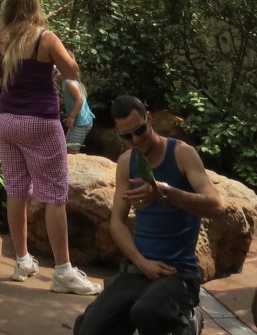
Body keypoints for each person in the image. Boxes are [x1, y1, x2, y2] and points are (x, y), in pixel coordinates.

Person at [73, 96, 222, 335]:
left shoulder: (181, 153)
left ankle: (188, 320)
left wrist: (167, 193)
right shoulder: (126, 162)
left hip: (178, 274)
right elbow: (117, 223)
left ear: (149, 118)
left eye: (139, 131)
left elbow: (217, 206)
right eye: (126, 136)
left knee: (148, 312)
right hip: (140, 270)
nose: (135, 140)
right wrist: (142, 262)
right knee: (88, 329)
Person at [0, 0, 101, 295]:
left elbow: (4, 82)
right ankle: (63, 272)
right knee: (55, 196)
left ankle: (22, 260)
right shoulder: (45, 38)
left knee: (16, 190)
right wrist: (50, 70)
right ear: (34, 7)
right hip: (40, 122)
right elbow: (73, 72)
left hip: (8, 120)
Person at [61, 72, 94, 152]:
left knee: (72, 151)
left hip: (80, 123)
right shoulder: (67, 80)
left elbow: (80, 100)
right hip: (77, 122)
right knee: (67, 147)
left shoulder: (70, 83)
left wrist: (72, 117)